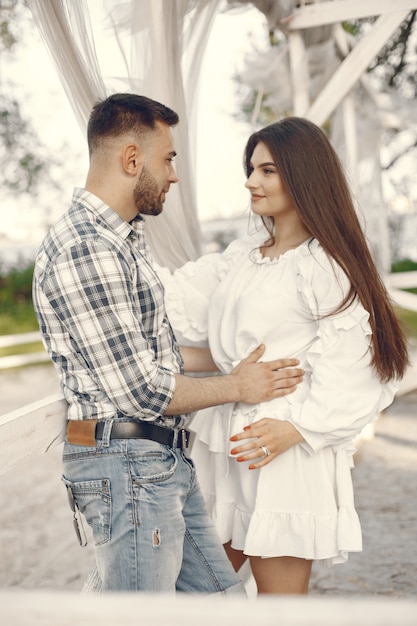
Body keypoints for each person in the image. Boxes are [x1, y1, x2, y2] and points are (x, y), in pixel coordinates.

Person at [32, 93, 303, 594]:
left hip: (155, 463)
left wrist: (233, 361)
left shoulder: (121, 242)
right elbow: (144, 391)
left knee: (221, 603)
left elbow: (153, 357)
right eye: (168, 158)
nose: (174, 174)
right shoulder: (86, 249)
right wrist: (238, 385)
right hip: (127, 465)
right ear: (133, 160)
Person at [157, 117, 409, 595]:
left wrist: (297, 428)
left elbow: (363, 366)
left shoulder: (325, 267)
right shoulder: (245, 255)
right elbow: (181, 309)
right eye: (252, 168)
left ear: (303, 175)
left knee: (280, 610)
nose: (251, 181)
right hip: (225, 443)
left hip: (282, 453)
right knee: (198, 596)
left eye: (267, 170)